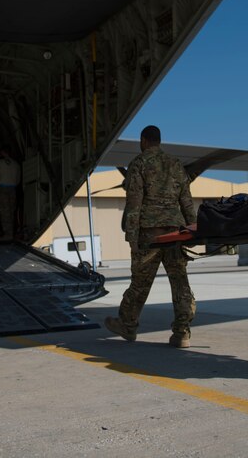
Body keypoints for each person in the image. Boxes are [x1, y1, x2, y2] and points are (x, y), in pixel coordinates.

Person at [105, 125, 197, 348]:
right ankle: (182, 332)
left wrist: (131, 236)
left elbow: (134, 202)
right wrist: (192, 228)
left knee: (140, 283)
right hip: (175, 233)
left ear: (144, 141)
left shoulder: (139, 163)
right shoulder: (176, 164)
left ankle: (127, 325)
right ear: (159, 140)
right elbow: (186, 199)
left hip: (150, 234)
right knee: (180, 283)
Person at [0, 145, 20, 241]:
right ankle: (11, 232)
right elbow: (17, 180)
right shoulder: (16, 164)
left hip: (2, 189)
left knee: (4, 212)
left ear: (3, 152)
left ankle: (8, 234)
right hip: (12, 189)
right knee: (12, 211)